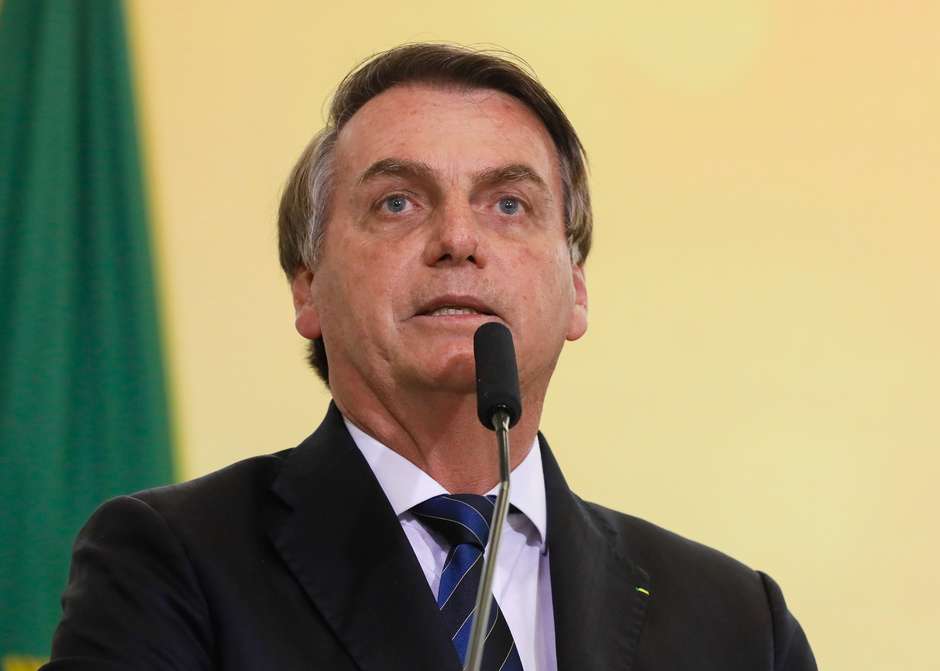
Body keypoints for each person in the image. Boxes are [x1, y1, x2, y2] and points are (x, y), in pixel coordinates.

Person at [43, 43, 816, 670]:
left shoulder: (739, 623)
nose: (458, 238)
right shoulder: (171, 563)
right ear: (308, 287)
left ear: (577, 290)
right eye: (398, 202)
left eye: (508, 203)